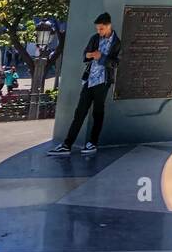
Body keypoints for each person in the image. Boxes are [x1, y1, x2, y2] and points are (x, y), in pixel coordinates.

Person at [48, 12, 122, 156]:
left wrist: (102, 57)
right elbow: (85, 54)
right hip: (89, 80)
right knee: (80, 112)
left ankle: (92, 143)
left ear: (108, 26)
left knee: (98, 113)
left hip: (103, 81)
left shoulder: (117, 43)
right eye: (97, 29)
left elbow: (116, 63)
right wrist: (88, 55)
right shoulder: (95, 39)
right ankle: (67, 144)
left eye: (101, 29)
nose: (99, 31)